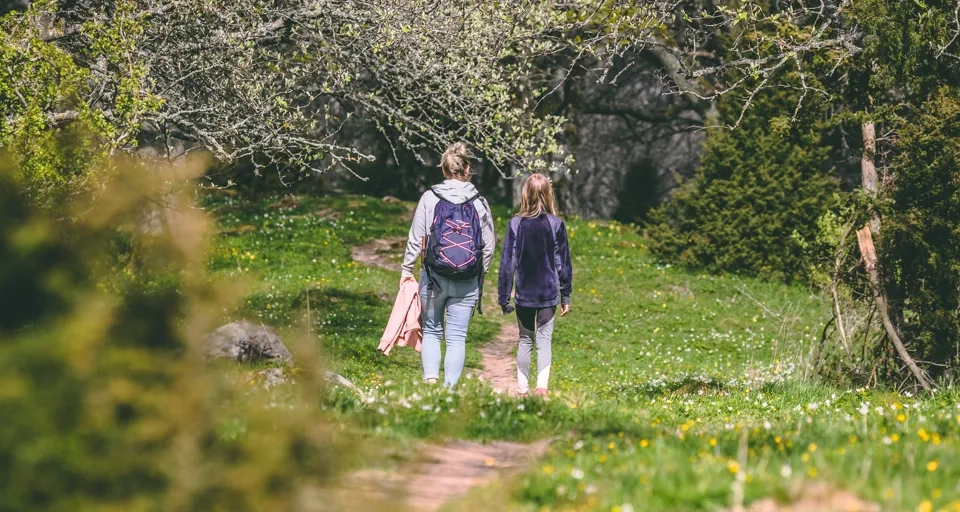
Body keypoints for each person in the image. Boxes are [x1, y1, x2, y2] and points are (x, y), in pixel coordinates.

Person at [400, 143, 495, 387]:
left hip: (433, 277)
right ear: (467, 169)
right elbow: (489, 245)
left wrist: (406, 270)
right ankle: (449, 390)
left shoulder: (429, 198)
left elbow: (416, 238)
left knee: (431, 331)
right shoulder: (480, 202)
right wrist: (478, 273)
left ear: (443, 169)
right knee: (456, 337)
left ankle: (431, 382)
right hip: (467, 281)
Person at [497, 174, 572, 397]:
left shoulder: (515, 223)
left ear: (525, 194)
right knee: (544, 341)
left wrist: (503, 297)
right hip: (548, 293)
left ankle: (522, 388)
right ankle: (541, 387)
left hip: (524, 294)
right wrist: (565, 294)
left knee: (525, 340)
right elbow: (563, 262)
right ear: (548, 194)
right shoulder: (556, 224)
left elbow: (507, 264)